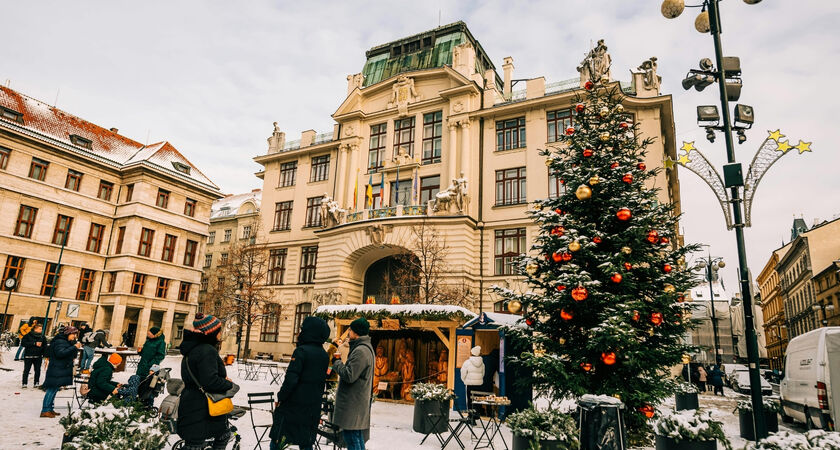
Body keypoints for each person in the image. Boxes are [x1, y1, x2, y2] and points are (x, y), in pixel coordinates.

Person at [269, 316, 330, 450]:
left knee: (278, 439)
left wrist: (281, 397)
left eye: (302, 329)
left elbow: (291, 379)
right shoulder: (324, 355)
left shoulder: (301, 351)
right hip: (312, 407)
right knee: (306, 441)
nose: (299, 332)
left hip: (293, 406)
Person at [177, 313, 235, 450]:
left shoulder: (192, 349)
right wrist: (228, 383)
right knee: (198, 444)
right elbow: (210, 382)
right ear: (212, 332)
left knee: (195, 443)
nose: (220, 334)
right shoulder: (207, 350)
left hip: (191, 402)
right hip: (203, 408)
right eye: (218, 330)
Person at [332, 318, 375, 450]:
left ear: (355, 332)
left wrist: (337, 362)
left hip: (353, 402)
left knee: (352, 437)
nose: (348, 333)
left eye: (350, 330)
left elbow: (350, 375)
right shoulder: (364, 348)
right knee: (355, 436)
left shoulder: (361, 351)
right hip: (356, 401)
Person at [41, 326, 82, 418]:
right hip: (57, 368)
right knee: (51, 389)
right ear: (68, 333)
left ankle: (50, 409)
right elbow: (61, 353)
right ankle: (45, 410)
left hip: (60, 368)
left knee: (54, 389)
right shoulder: (60, 342)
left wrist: (73, 346)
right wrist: (74, 347)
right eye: (73, 334)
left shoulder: (65, 341)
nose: (74, 336)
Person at [21, 323, 47, 388]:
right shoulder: (28, 335)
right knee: (27, 369)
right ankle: (24, 383)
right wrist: (34, 343)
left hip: (38, 356)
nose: (41, 330)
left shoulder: (42, 337)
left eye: (41, 329)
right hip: (29, 355)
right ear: (35, 329)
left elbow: (45, 346)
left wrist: (44, 354)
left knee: (38, 370)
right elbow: (23, 343)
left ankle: (36, 382)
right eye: (40, 329)